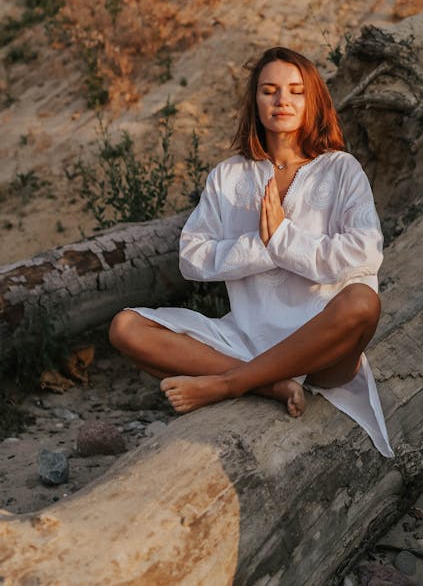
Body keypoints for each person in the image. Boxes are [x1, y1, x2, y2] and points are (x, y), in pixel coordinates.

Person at [109, 46, 393, 458]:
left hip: (322, 349)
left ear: (312, 100)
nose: (282, 101)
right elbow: (192, 257)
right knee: (125, 328)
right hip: (245, 338)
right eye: (270, 91)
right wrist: (262, 246)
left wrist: (283, 240)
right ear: (254, 101)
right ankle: (268, 383)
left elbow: (366, 252)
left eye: (295, 91)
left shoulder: (340, 168)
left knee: (363, 302)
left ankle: (228, 383)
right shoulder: (229, 175)